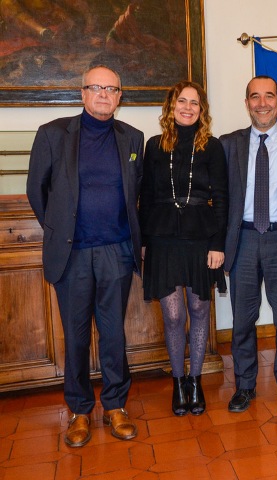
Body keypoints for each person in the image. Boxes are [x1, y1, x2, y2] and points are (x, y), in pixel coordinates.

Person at [26, 65, 143, 447]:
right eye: (97, 87)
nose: (104, 94)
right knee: (76, 337)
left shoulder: (133, 138)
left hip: (116, 253)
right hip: (73, 254)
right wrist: (59, 229)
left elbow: (136, 191)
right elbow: (36, 189)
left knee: (113, 335)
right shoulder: (53, 134)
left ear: (119, 97)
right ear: (83, 93)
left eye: (111, 89)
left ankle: (115, 405)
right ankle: (79, 410)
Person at [221, 75, 277, 413]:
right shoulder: (228, 144)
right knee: (243, 320)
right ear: (246, 103)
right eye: (255, 97)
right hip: (242, 239)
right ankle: (245, 386)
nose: (262, 103)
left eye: (269, 96)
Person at [138, 81, 228, 417]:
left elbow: (222, 198)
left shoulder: (213, 147)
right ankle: (178, 381)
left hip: (201, 239)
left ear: (202, 110)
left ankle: (196, 380)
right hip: (163, 239)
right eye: (182, 101)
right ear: (171, 106)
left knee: (200, 310)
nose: (188, 107)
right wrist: (143, 241)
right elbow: (146, 196)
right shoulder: (154, 145)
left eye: (194, 102)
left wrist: (218, 244)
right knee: (174, 315)